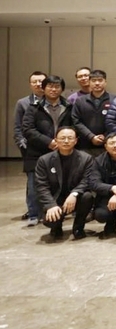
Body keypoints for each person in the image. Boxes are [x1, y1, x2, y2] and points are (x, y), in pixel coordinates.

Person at [34, 126, 98, 240]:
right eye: (62, 138)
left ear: (76, 141)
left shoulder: (86, 158)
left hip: (76, 198)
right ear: (56, 140)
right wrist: (51, 205)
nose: (66, 141)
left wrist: (74, 193)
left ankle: (78, 228)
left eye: (70, 138)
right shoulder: (44, 160)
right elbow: (41, 186)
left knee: (87, 197)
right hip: (55, 199)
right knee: (51, 221)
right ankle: (56, 227)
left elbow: (87, 180)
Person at [22, 75, 73, 189]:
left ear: (62, 89)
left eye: (57, 86)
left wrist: (62, 142)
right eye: (50, 86)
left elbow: (74, 128)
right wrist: (49, 142)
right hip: (37, 154)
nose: (53, 89)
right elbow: (27, 129)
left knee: (60, 190)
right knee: (35, 191)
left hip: (63, 154)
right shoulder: (33, 108)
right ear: (43, 88)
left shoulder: (69, 107)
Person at [14, 70, 46, 226]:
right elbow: (18, 127)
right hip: (31, 149)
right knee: (33, 183)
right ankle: (33, 213)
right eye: (35, 81)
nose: (38, 84)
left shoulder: (53, 101)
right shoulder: (23, 103)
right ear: (30, 84)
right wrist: (22, 144)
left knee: (50, 182)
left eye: (41, 81)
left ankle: (47, 211)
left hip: (50, 146)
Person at [72, 69, 113, 156]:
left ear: (105, 82)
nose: (97, 83)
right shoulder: (80, 101)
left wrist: (105, 136)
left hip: (108, 144)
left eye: (100, 80)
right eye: (94, 81)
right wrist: (91, 136)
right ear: (89, 82)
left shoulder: (115, 100)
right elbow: (76, 121)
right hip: (84, 145)